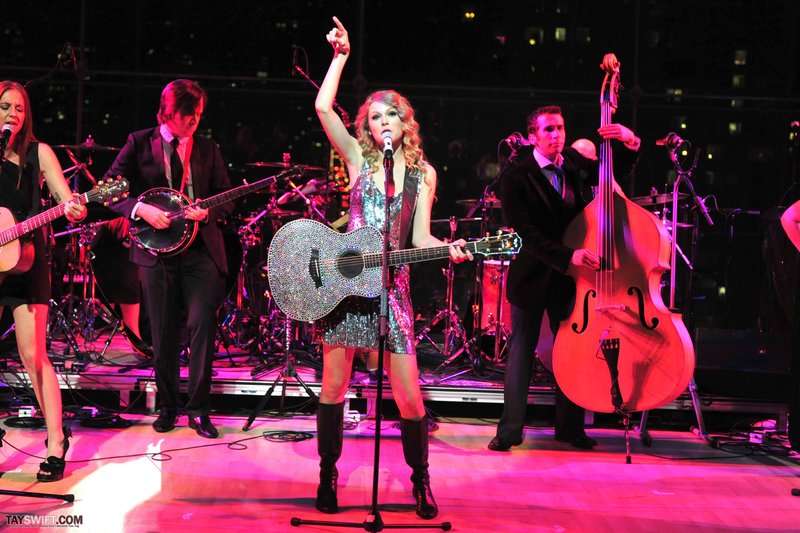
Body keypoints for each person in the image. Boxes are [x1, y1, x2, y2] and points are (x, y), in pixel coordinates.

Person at [312, 17, 472, 520]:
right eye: (374, 116)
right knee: (333, 388)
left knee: (408, 396)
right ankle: (328, 473)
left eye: (390, 115)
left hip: (393, 290)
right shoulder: (359, 162)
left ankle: (420, 480)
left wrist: (449, 248)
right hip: (347, 291)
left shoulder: (424, 174)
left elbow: (420, 238)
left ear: (405, 124)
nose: (381, 122)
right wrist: (340, 56)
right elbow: (321, 107)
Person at [488, 104, 640, 452]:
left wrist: (630, 142)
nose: (556, 135)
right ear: (531, 137)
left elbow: (613, 174)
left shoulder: (573, 162)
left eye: (559, 128)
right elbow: (525, 232)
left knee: (571, 353)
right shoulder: (516, 175)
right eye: (547, 130)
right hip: (534, 274)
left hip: (570, 278)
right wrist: (566, 256)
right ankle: (509, 432)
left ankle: (570, 429)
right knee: (521, 354)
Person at [103, 79, 233, 439]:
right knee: (161, 334)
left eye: (198, 115)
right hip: (155, 253)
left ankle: (199, 409)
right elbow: (106, 188)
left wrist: (206, 213)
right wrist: (139, 208)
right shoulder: (139, 142)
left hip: (200, 253)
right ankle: (168, 407)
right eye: (187, 115)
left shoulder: (207, 148)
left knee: (201, 325)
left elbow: (228, 197)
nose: (194, 122)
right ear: (166, 113)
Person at [0, 81, 87, 480]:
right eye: (4, 107)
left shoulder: (39, 153)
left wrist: (73, 208)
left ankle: (55, 441)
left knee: (33, 356)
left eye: (18, 108)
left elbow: (66, 199)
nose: (12, 114)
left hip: (25, 260)